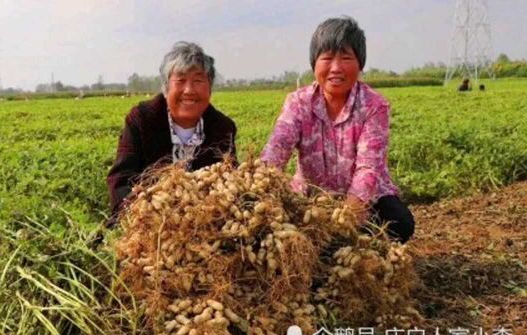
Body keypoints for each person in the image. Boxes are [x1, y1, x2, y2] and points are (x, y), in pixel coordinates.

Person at [261, 16, 414, 243]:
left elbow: (368, 168)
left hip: (366, 199)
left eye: (346, 58)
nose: (336, 68)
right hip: (311, 196)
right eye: (327, 58)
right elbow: (277, 148)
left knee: (399, 222)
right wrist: (260, 185)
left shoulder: (373, 106)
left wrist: (346, 216)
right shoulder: (299, 103)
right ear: (314, 63)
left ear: (360, 63)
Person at [106, 41, 237, 225]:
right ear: (166, 88)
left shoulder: (223, 128)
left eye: (198, 80)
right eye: (180, 80)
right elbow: (120, 179)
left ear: (210, 88)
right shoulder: (142, 120)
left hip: (206, 226)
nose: (189, 90)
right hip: (150, 225)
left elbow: (231, 183)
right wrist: (141, 215)